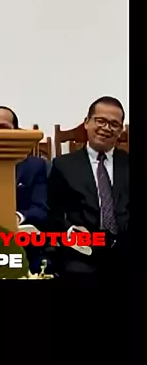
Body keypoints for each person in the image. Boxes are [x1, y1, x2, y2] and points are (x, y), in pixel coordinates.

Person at [47, 96, 129, 276]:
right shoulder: (63, 165)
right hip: (83, 249)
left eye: (114, 124)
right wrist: (71, 231)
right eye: (100, 121)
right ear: (86, 122)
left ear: (120, 130)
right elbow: (52, 213)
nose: (106, 128)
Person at [0, 106, 49, 228]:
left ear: (16, 131)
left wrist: (18, 217)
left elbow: (41, 210)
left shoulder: (34, 166)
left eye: (4, 127)